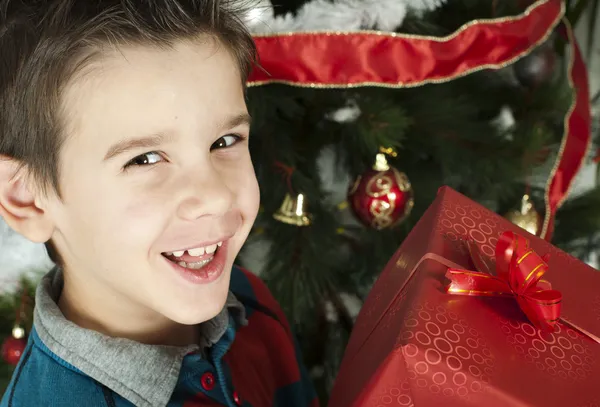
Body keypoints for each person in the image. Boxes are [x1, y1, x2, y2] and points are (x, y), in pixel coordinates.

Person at [0, 1, 318, 406]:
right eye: (145, 159)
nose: (215, 196)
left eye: (224, 141)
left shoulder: (249, 300)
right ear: (27, 199)